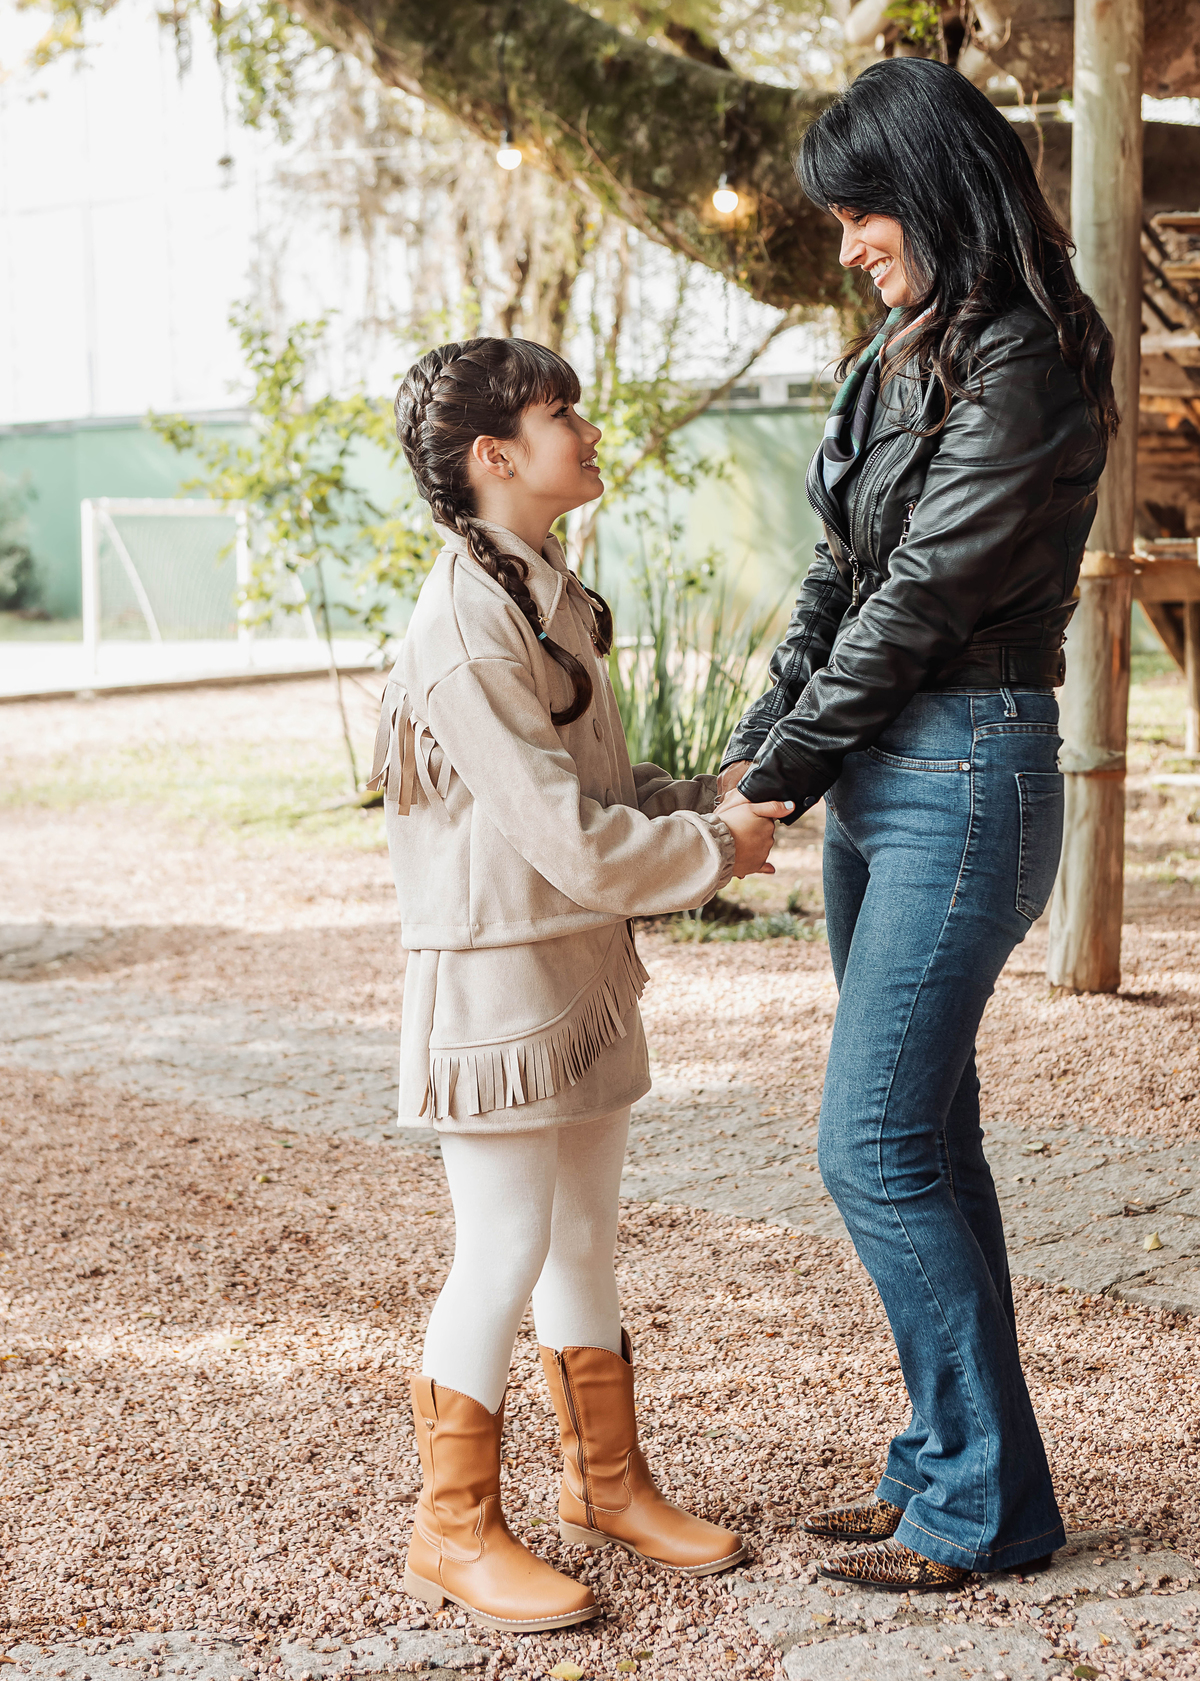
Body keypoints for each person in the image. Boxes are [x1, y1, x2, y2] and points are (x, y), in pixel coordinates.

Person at [718, 58, 1116, 1592]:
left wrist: (776, 781)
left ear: (934, 187)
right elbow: (838, 575)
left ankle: (984, 1509)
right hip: (886, 773)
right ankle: (960, 1467)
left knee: (871, 1146)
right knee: (929, 1140)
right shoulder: (903, 347)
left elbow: (921, 601)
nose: (846, 240)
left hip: (966, 766)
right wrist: (759, 754)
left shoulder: (1021, 361)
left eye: (862, 208)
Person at [374, 336, 789, 1633]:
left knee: (585, 1240)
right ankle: (450, 1528)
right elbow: (562, 835)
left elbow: (596, 801)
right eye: (566, 416)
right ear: (496, 456)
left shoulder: (546, 590)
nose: (588, 430)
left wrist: (701, 800)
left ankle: (605, 1483)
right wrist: (716, 845)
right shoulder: (464, 621)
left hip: (580, 973)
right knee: (499, 1246)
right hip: (500, 990)